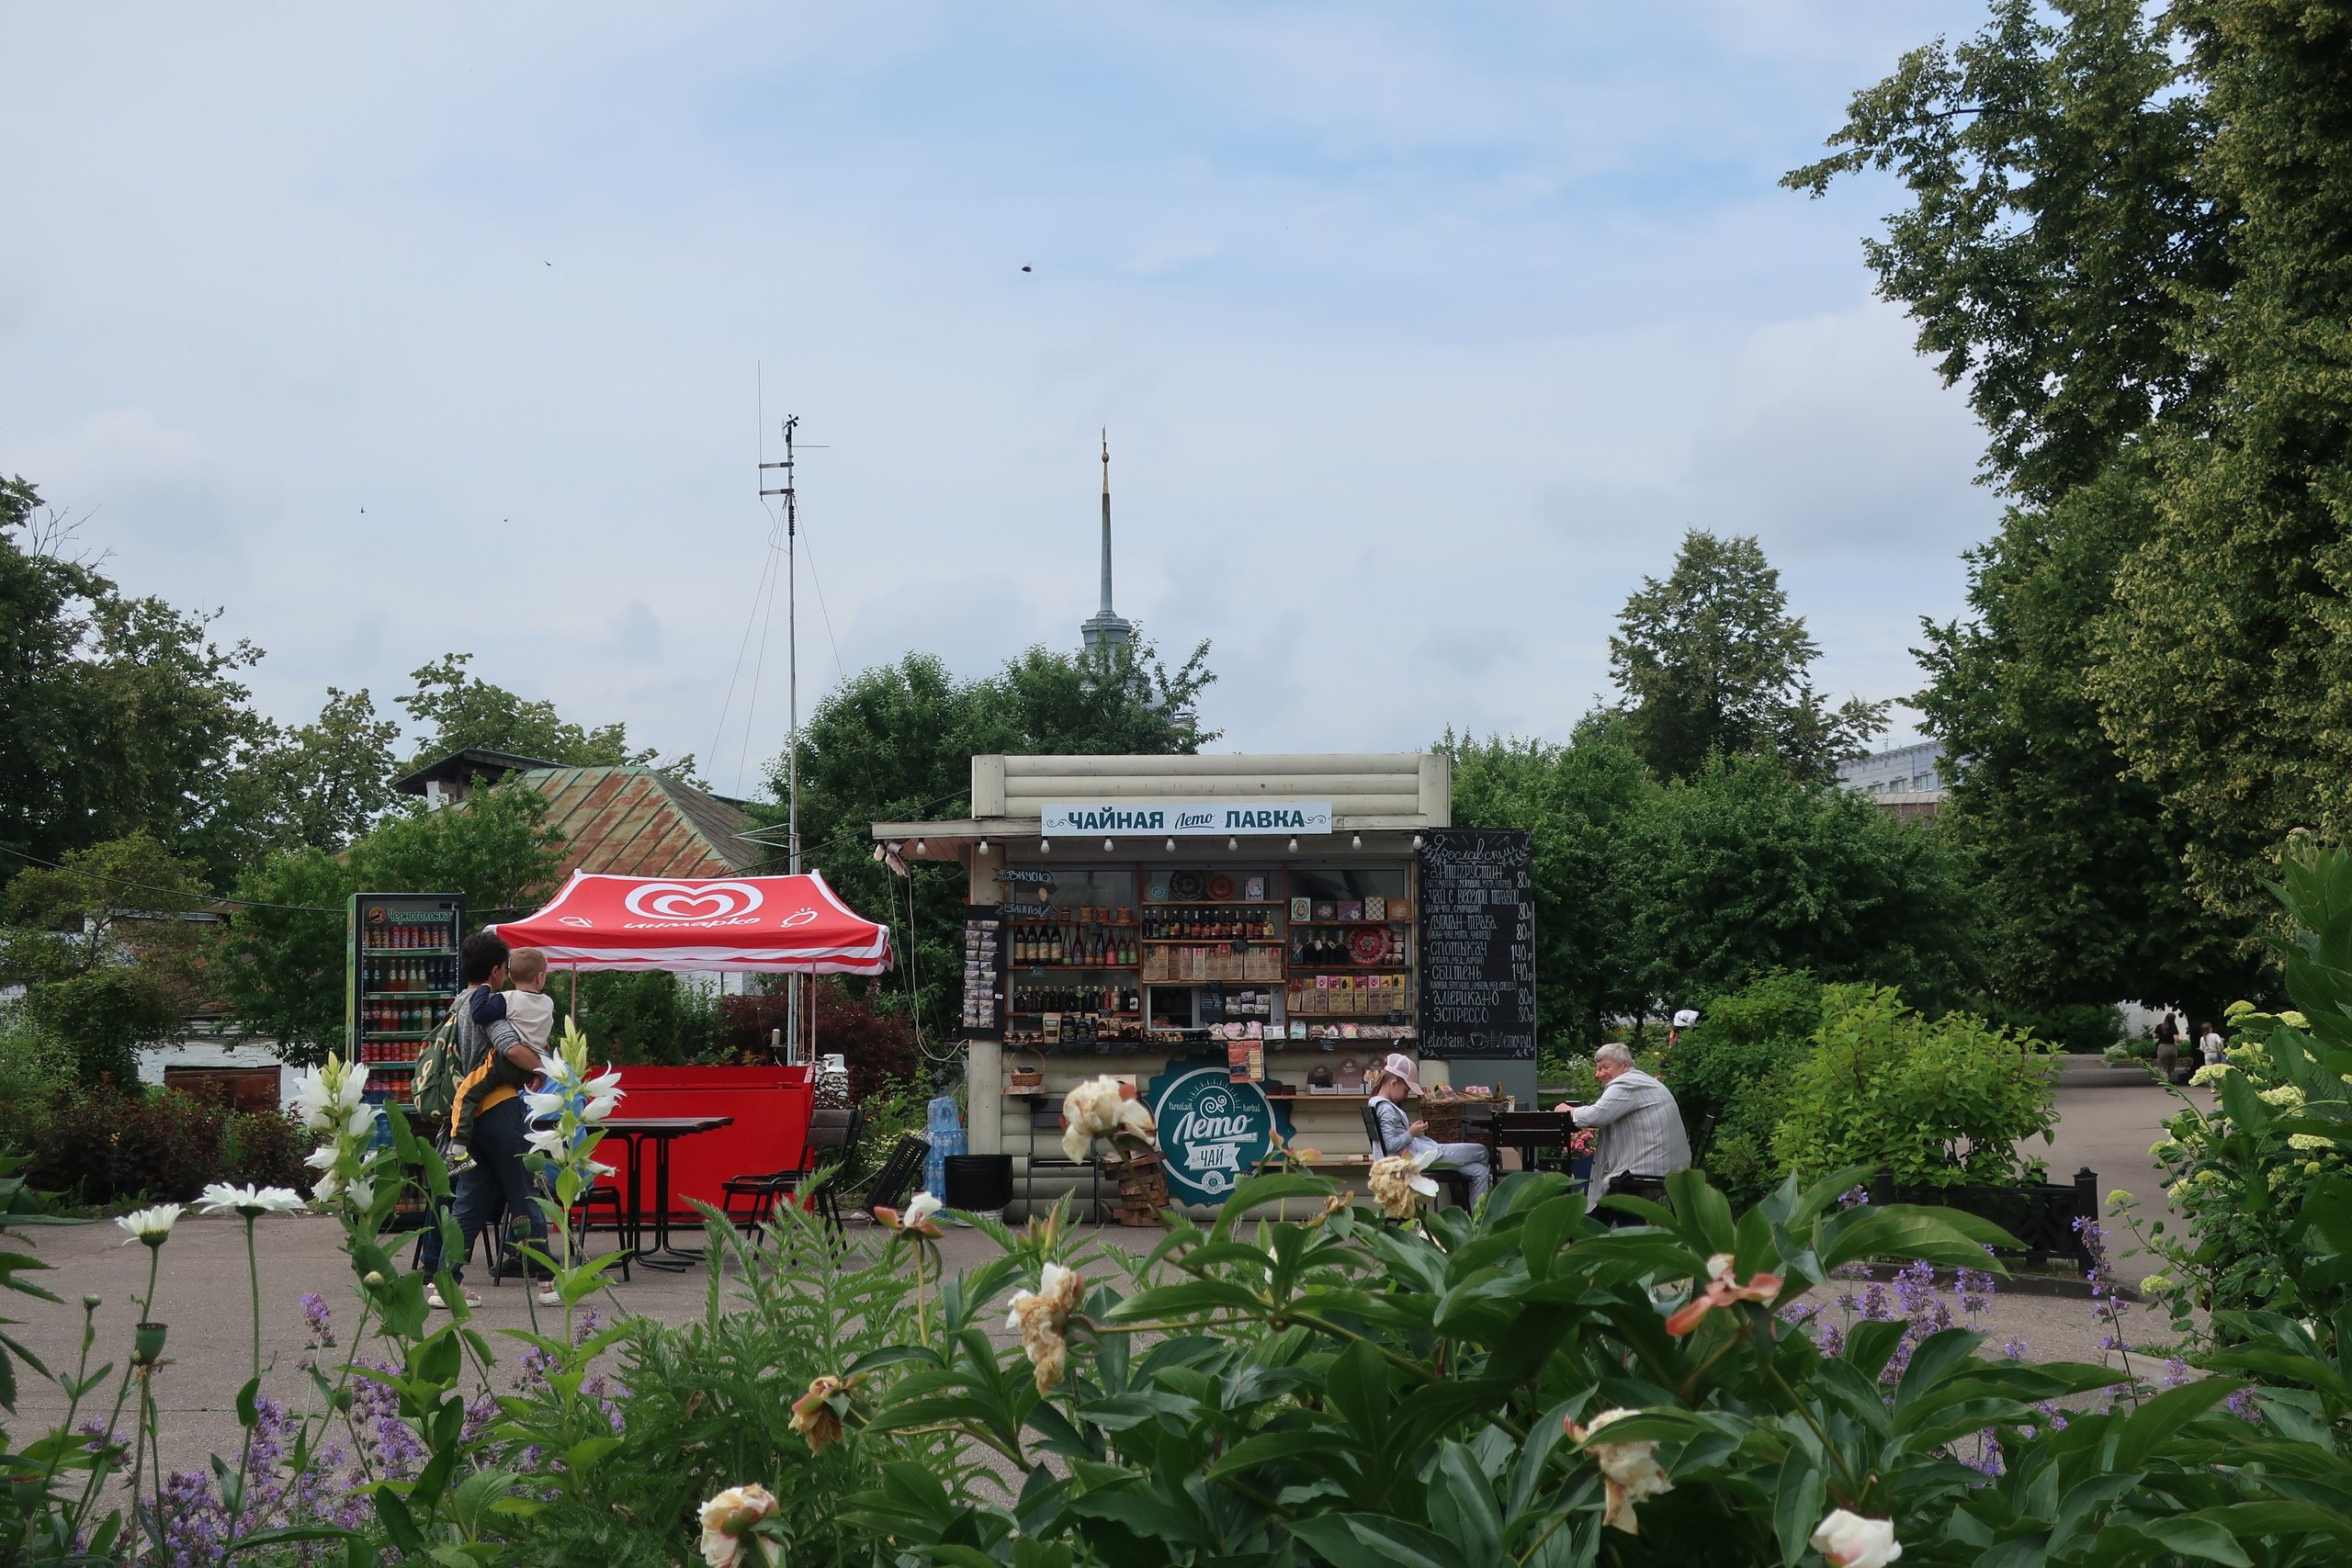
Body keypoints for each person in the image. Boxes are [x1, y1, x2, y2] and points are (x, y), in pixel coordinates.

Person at [418, 932, 556, 1308]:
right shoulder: (492, 1005)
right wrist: (542, 1066)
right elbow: (510, 1046)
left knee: (471, 1201)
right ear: (496, 971)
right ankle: (547, 1279)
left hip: (467, 1115)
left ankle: (446, 1281)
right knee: (525, 1189)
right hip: (498, 1108)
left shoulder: (457, 1003)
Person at [1555, 1042, 1690, 1220]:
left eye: (1606, 1067)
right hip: (1668, 1161)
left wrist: (1568, 1110)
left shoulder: (1626, 1083)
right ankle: (1604, 1230)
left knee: (1585, 1169)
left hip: (1650, 1166)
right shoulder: (1640, 1079)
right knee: (1596, 1169)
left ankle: (1588, 1228)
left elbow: (1596, 1116)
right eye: (1599, 1068)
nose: (1601, 1073)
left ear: (1625, 1065)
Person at [1364, 1053, 1492, 1208]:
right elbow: (1389, 1144)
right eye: (1406, 1090)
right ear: (1393, 1083)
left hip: (1419, 1155)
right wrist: (1411, 1133)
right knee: (1482, 1151)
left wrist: (1408, 1130)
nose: (1406, 1096)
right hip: (1422, 1159)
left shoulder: (1377, 1105)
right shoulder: (1385, 1109)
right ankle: (1467, 1206)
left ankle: (1474, 1222)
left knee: (1480, 1171)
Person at [2154, 1012, 2180, 1085]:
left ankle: (2166, 1078)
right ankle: (2168, 1079)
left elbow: (2154, 1036)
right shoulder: (2174, 1027)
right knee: (2171, 1065)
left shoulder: (2160, 1026)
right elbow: (2176, 1039)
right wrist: (2181, 1041)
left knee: (2163, 1066)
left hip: (2162, 1047)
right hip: (2172, 1047)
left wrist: (2161, 1036)